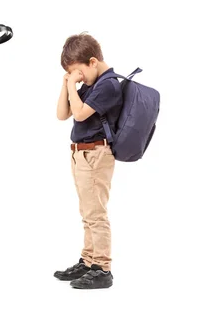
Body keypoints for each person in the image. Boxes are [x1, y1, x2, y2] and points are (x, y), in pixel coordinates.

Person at [53, 32, 123, 289]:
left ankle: (102, 268)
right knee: (87, 212)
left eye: (78, 71)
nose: (77, 77)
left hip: (96, 155)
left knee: (96, 214)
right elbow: (62, 114)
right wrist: (67, 84)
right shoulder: (92, 83)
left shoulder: (108, 84)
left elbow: (80, 114)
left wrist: (73, 85)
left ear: (92, 62)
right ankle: (88, 260)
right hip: (81, 153)